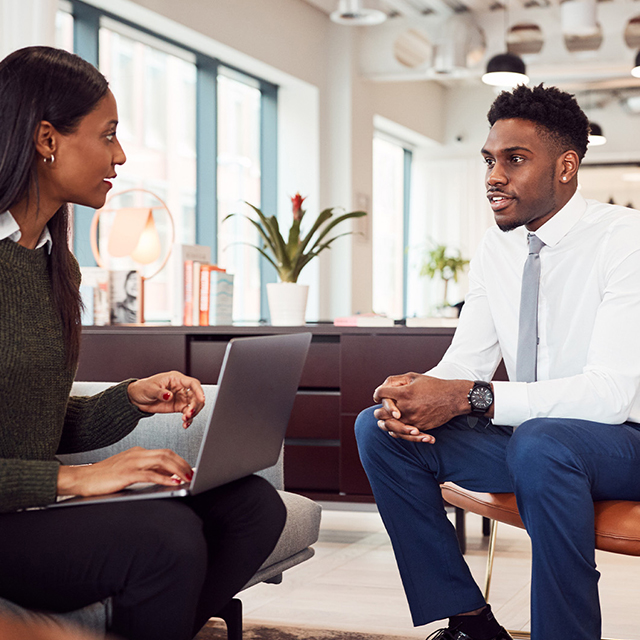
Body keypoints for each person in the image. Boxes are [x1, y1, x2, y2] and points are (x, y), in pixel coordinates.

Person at [0, 46, 286, 640]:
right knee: (167, 541)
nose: (121, 155)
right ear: (46, 139)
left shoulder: (56, 266)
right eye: (108, 135)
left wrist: (130, 398)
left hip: (30, 504)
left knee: (254, 508)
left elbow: (35, 420)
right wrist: (74, 480)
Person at [355, 84, 640, 640]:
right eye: (489, 160)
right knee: (379, 429)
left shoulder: (626, 240)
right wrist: (416, 392)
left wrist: (471, 397)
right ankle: (469, 622)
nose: (493, 176)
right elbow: (467, 359)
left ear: (565, 166)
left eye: (514, 160)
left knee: (543, 441)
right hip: (537, 445)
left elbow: (612, 394)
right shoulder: (496, 248)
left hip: (623, 443)